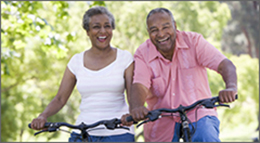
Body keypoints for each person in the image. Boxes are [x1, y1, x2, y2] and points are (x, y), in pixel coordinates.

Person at [128, 8, 237, 142]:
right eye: (154, 30)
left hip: (198, 112)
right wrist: (137, 107)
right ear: (148, 32)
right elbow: (140, 85)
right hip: (161, 117)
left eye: (166, 27)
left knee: (206, 135)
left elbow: (224, 64)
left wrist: (231, 87)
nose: (161, 34)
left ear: (175, 26)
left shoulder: (194, 41)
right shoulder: (143, 52)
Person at [30, 6, 135, 142]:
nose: (103, 31)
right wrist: (42, 116)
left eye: (107, 26)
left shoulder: (125, 58)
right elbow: (60, 98)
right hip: (83, 132)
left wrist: (132, 114)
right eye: (96, 27)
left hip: (119, 132)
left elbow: (133, 95)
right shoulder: (76, 61)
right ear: (87, 31)